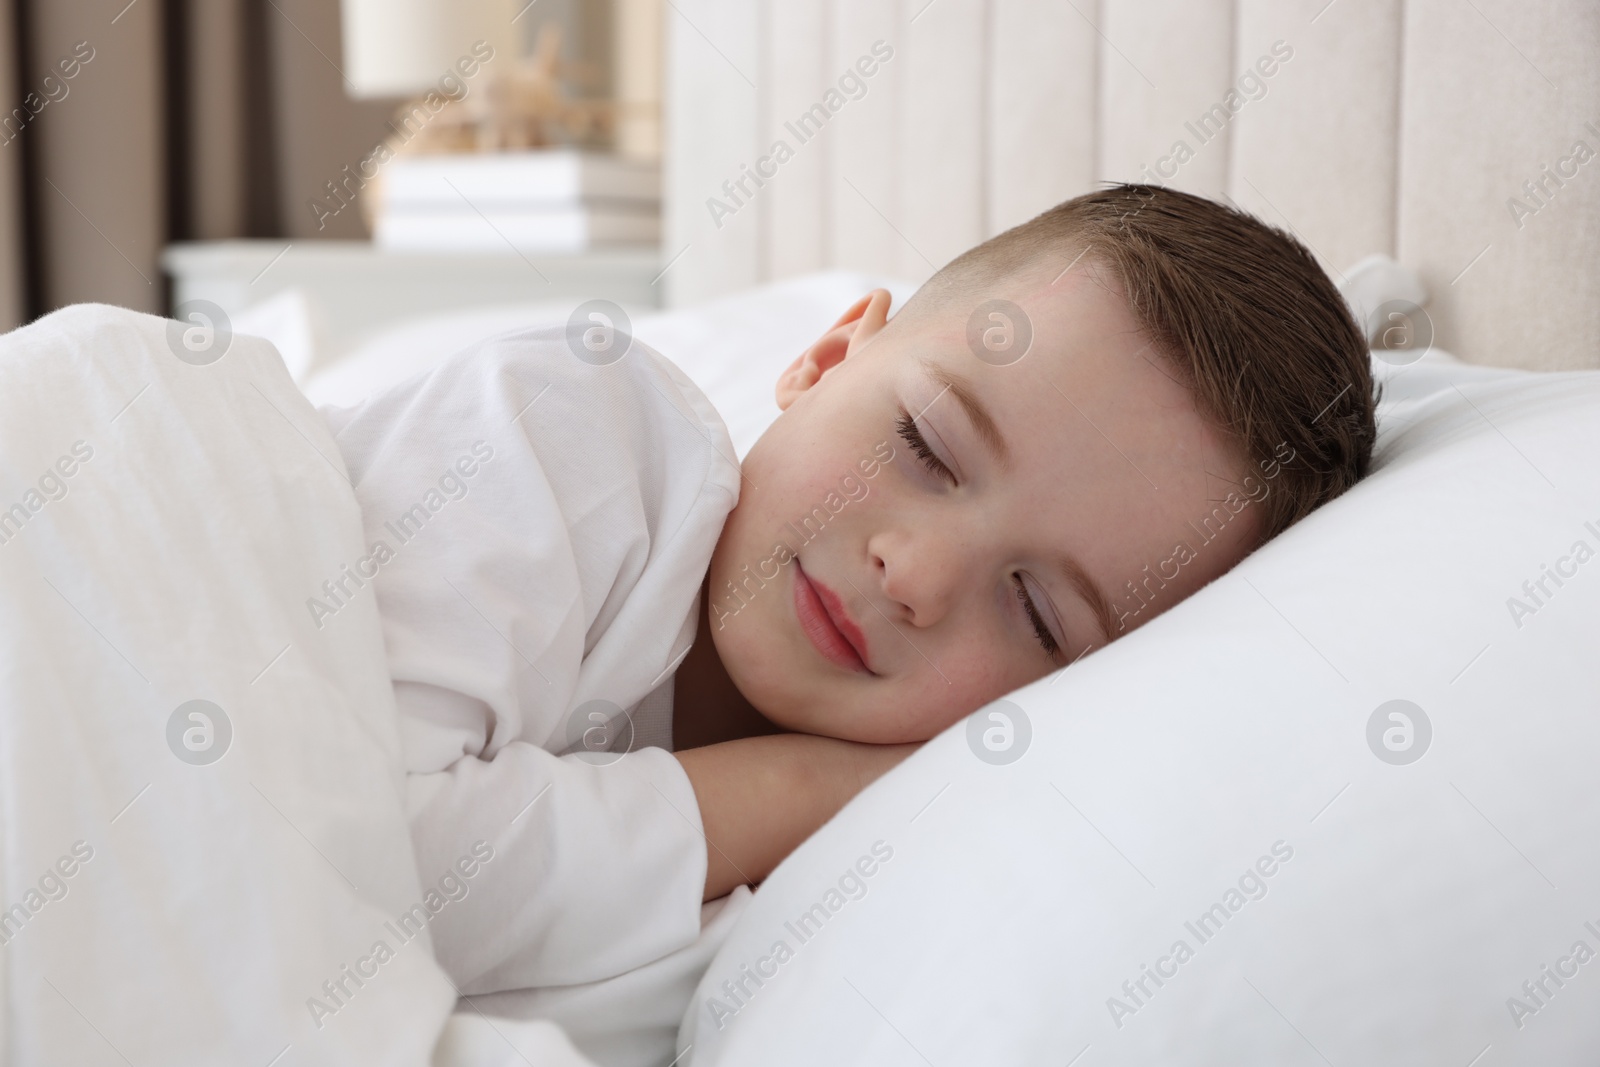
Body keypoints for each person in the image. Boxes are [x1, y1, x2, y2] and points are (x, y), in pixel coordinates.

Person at [320, 184, 1377, 1001]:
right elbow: (343, 865)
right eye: (925, 443)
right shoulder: (569, 430)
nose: (912, 574)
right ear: (826, 356)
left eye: (1038, 611)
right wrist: (807, 784)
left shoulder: (833, 900)